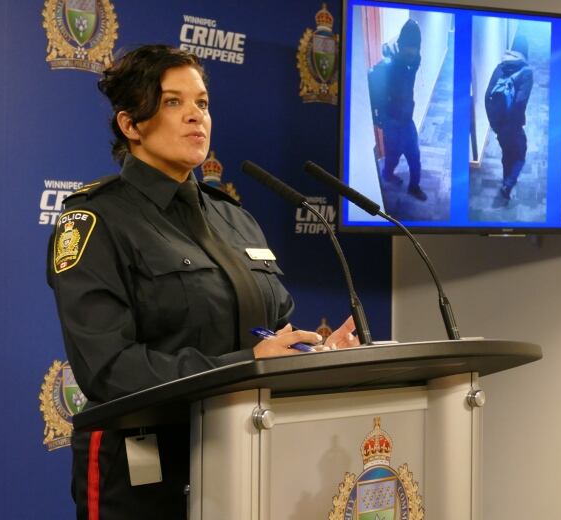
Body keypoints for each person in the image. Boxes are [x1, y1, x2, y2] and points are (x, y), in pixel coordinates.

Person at [47, 44, 359, 520]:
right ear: (131, 125)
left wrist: (312, 352)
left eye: (203, 103)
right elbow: (108, 369)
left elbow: (272, 333)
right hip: (146, 474)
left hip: (247, 457)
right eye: (174, 102)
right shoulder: (95, 220)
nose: (196, 117)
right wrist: (246, 365)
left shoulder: (235, 218)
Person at [370, 19, 427, 201]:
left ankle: (413, 187)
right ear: (401, 46)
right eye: (409, 47)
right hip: (392, 123)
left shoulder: (412, 63)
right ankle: (387, 175)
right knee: (392, 157)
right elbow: (372, 89)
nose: (413, 51)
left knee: (414, 157)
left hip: (407, 121)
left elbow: (416, 60)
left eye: (415, 47)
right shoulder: (386, 68)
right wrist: (379, 119)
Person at [485, 35, 533, 203]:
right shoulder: (526, 72)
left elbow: (487, 96)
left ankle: (506, 180)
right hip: (513, 126)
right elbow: (520, 103)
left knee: (507, 154)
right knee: (520, 155)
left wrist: (495, 125)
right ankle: (509, 183)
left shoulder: (500, 66)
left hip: (499, 125)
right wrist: (514, 126)